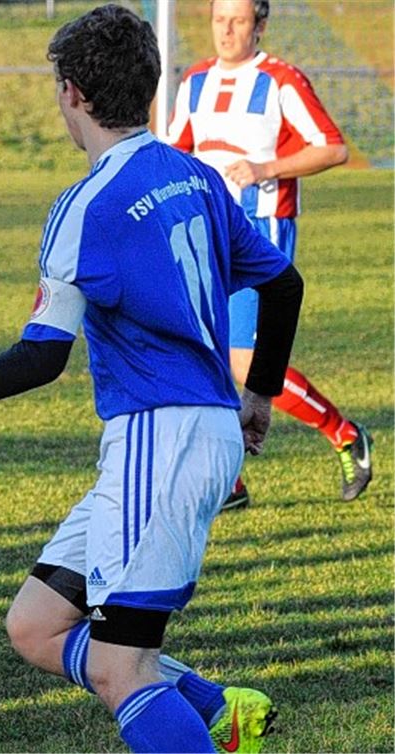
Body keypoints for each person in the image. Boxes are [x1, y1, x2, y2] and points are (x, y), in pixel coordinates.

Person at [0, 5, 302, 753]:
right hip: (195, 432)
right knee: (36, 625)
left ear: (72, 93)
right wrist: (257, 397)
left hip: (158, 438)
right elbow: (283, 283)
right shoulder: (195, 176)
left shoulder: (85, 207)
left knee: (121, 668)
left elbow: (42, 356)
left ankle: (192, 722)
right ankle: (215, 708)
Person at [166, 0, 372, 509]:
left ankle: (344, 433)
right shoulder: (194, 82)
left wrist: (266, 169)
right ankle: (230, 482)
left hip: (261, 231)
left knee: (244, 362)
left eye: (238, 21)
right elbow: (175, 152)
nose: (226, 30)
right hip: (206, 232)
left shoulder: (281, 80)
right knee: (202, 353)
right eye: (219, 20)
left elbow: (333, 148)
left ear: (259, 25)